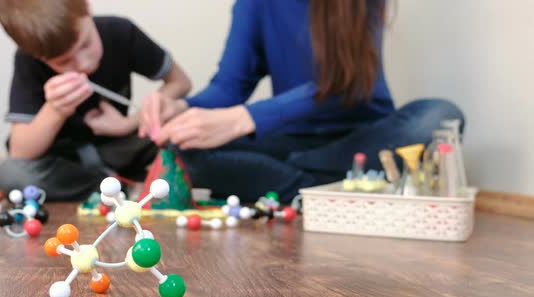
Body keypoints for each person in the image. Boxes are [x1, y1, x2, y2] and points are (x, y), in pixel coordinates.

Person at [139, 0, 464, 202]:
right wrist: (181, 108)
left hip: (364, 137)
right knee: (185, 152)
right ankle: (338, 187)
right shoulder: (254, 3)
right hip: (293, 142)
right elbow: (228, 87)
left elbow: (346, 84)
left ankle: (295, 187)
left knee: (439, 117)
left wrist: (244, 119)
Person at [0, 0, 191, 200]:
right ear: (39, 56)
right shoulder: (28, 60)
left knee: (183, 117)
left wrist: (129, 123)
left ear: (87, 8)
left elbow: (181, 83)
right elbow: (20, 152)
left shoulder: (120, 32)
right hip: (67, 163)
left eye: (85, 44)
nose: (83, 64)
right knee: (11, 174)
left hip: (120, 148)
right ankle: (119, 187)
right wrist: (56, 110)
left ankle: (119, 184)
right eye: (63, 62)